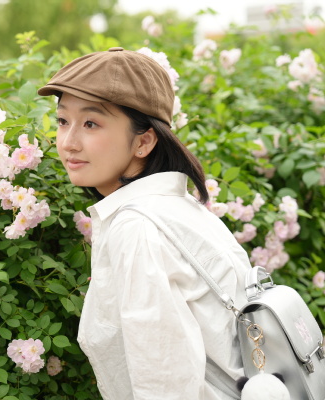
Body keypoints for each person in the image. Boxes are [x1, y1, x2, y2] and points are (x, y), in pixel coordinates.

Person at [38, 47, 251, 399]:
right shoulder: (178, 208)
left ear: (144, 141)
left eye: (90, 123)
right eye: (63, 121)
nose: (69, 142)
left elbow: (164, 383)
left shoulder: (138, 228)